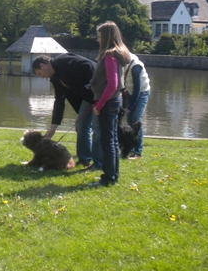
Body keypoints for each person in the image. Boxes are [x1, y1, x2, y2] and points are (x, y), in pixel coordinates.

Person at [32, 53, 101, 169]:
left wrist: (92, 87)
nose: (42, 77)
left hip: (99, 92)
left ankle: (99, 163)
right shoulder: (55, 78)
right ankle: (85, 160)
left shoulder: (63, 60)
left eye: (40, 73)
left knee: (98, 127)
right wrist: (53, 127)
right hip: (89, 98)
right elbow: (59, 101)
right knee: (81, 124)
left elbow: (89, 65)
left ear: (42, 65)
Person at [90, 21, 131, 187]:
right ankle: (112, 176)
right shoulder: (116, 55)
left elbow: (112, 84)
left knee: (108, 142)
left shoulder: (109, 56)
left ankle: (108, 178)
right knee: (112, 140)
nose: (97, 40)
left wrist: (99, 105)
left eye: (99, 36)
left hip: (108, 103)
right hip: (114, 101)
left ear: (106, 37)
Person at [123, 53, 150, 159]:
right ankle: (130, 148)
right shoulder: (123, 63)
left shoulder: (136, 67)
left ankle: (137, 152)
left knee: (136, 120)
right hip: (129, 92)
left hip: (142, 93)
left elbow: (137, 89)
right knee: (129, 121)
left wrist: (130, 107)